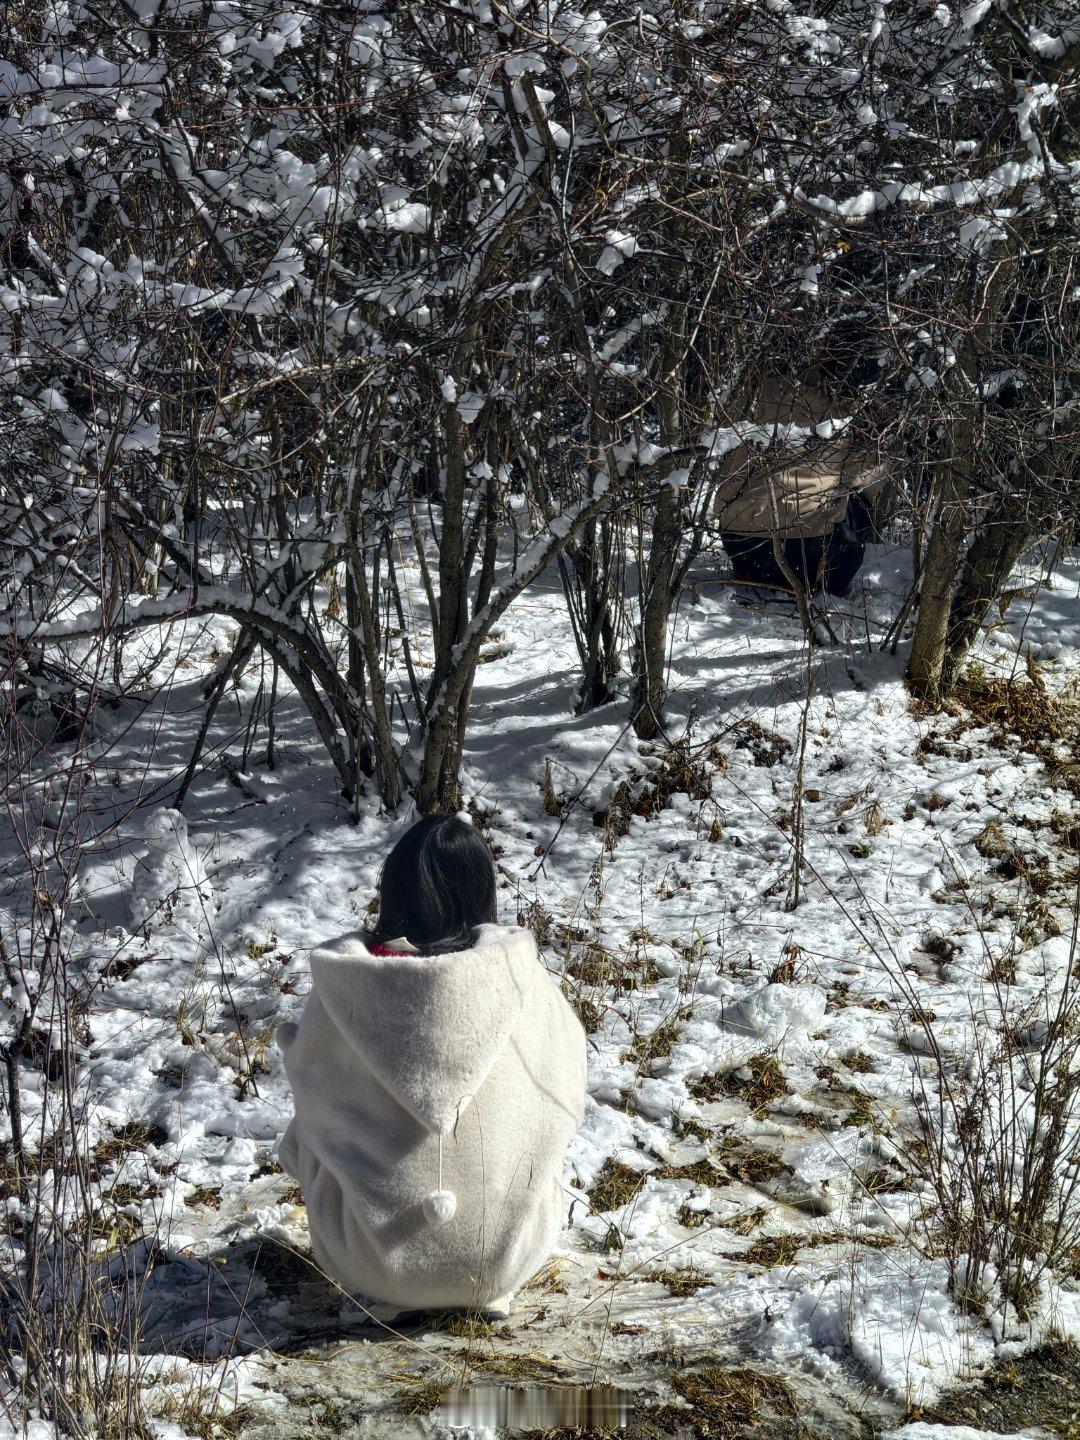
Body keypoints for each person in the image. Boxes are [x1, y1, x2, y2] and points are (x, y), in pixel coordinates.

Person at [276, 815, 587, 1322]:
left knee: (313, 1099)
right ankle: (482, 1264)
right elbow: (567, 1083)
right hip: (503, 1260)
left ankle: (399, 1280)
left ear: (392, 887)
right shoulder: (520, 975)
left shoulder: (344, 986)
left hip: (366, 1260)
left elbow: (309, 1108)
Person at [713, 377, 886, 597]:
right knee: (859, 499)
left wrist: (723, 511)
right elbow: (865, 479)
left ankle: (759, 574)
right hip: (811, 551)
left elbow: (733, 467)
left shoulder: (767, 388)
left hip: (745, 542)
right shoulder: (856, 410)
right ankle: (826, 579)